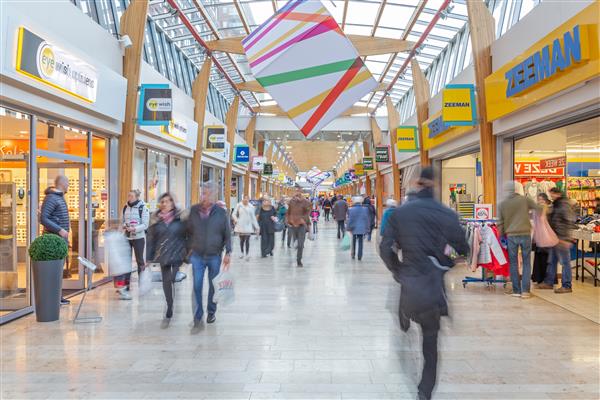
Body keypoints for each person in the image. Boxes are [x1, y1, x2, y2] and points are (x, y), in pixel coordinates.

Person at [379, 167, 468, 400]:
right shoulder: (446, 214)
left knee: (409, 308)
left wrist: (398, 271)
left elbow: (385, 248)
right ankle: (424, 391)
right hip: (432, 289)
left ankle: (404, 317)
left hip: (410, 284)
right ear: (435, 184)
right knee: (430, 342)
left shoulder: (400, 213)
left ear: (416, 184)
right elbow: (463, 249)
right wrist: (445, 263)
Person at [186, 183, 231, 325]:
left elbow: (227, 233)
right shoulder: (193, 210)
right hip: (197, 255)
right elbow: (187, 231)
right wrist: (188, 249)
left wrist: (228, 251)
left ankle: (211, 312)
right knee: (197, 285)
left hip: (214, 255)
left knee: (213, 285)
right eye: (203, 193)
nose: (204, 196)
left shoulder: (221, 212)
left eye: (208, 193)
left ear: (213, 195)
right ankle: (198, 314)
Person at [146, 193, 187, 319]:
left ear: (172, 203)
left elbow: (188, 236)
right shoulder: (155, 220)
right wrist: (148, 257)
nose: (164, 204)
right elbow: (151, 240)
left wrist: (189, 252)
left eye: (168, 201)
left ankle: (171, 300)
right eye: (162, 201)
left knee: (172, 278)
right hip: (163, 254)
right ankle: (169, 305)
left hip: (177, 254)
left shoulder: (180, 219)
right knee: (166, 281)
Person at [497, 181, 538, 299]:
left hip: (511, 236)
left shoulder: (502, 204)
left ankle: (516, 290)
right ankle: (525, 291)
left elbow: (500, 223)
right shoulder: (525, 200)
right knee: (526, 262)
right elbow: (538, 208)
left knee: (513, 263)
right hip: (525, 234)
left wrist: (501, 236)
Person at [40, 175, 71, 306]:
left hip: (60, 240)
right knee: (54, 270)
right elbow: (43, 218)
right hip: (54, 239)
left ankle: (57, 296)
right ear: (62, 183)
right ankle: (53, 298)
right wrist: (60, 230)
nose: (69, 185)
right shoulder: (51, 198)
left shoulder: (59, 197)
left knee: (59, 269)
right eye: (68, 182)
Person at [537, 188, 575, 293]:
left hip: (562, 238)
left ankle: (567, 285)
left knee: (565, 263)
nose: (551, 196)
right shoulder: (557, 204)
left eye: (552, 194)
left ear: (557, 194)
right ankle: (548, 282)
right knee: (552, 261)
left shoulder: (563, 205)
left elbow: (569, 221)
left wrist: (565, 238)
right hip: (555, 238)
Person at [118, 189, 150, 301]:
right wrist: (124, 226)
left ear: (136, 197)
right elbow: (122, 220)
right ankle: (126, 287)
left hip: (139, 238)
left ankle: (142, 285)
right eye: (128, 195)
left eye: (131, 196)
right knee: (126, 263)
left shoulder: (143, 207)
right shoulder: (125, 207)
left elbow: (145, 224)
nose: (129, 197)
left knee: (140, 261)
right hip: (127, 237)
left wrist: (134, 228)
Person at [286, 191, 311, 267]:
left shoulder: (305, 202)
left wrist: (307, 223)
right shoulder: (291, 203)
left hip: (302, 225)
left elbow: (308, 211)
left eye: (299, 195)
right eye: (296, 195)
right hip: (293, 225)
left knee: (300, 244)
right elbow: (288, 213)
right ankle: (296, 245)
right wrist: (288, 221)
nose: (297, 197)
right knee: (296, 243)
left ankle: (299, 260)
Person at [532, 193, 553, 284]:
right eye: (538, 199)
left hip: (545, 237)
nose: (539, 201)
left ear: (545, 200)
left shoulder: (547, 209)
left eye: (541, 199)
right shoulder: (541, 209)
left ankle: (544, 279)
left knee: (544, 259)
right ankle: (540, 278)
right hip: (541, 237)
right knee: (541, 258)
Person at [233, 195, 259, 261]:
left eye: (247, 199)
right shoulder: (239, 205)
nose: (246, 200)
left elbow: (253, 217)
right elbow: (233, 214)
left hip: (248, 225)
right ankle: (242, 253)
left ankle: (247, 254)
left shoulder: (251, 207)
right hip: (240, 225)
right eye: (245, 198)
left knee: (247, 240)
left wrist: (256, 227)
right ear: (243, 199)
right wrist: (236, 220)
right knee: (242, 240)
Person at [347, 196, 370, 261]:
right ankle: (360, 256)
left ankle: (353, 254)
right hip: (362, 228)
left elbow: (350, 220)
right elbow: (367, 219)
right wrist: (367, 228)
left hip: (354, 228)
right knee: (360, 242)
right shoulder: (365, 209)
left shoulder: (351, 209)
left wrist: (349, 228)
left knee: (353, 241)